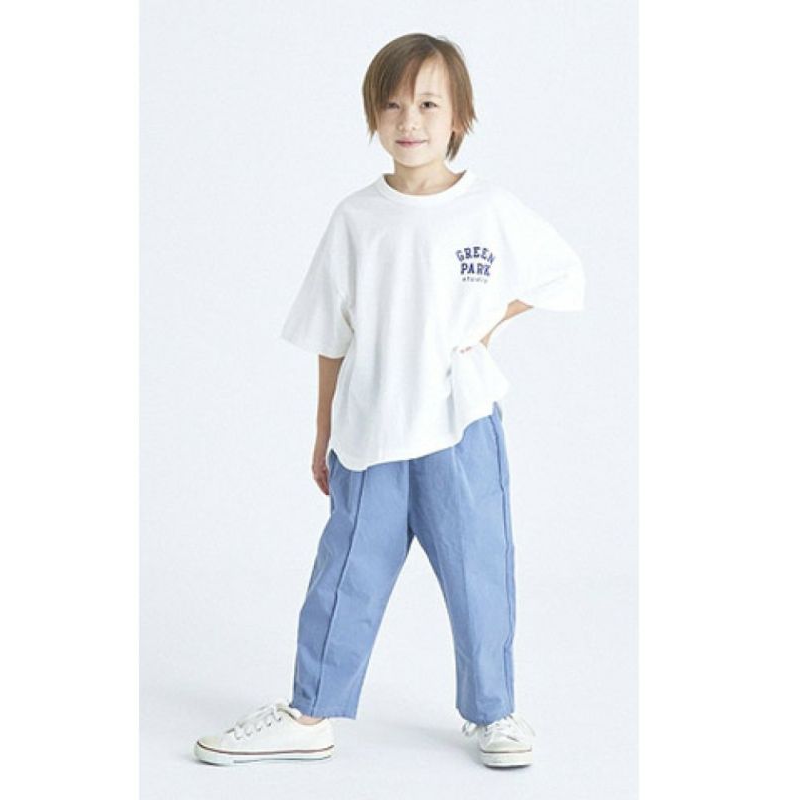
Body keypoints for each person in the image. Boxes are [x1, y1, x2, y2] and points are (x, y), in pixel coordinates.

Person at [194, 31, 584, 770]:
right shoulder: (356, 218)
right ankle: (310, 712)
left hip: (460, 425)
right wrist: (322, 432)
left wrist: (487, 324)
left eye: (429, 104)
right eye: (393, 105)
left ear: (459, 116)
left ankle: (494, 711)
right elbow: (330, 333)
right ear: (374, 115)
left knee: (479, 569)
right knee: (347, 572)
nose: (410, 120)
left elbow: (559, 273)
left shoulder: (489, 209)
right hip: (371, 426)